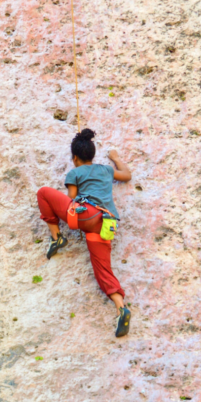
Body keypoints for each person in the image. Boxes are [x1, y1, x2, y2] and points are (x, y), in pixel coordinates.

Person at [36, 128, 133, 337]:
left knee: (43, 193)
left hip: (86, 216)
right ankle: (120, 307)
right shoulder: (106, 170)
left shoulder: (75, 172)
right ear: (93, 155)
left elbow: (71, 200)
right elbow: (126, 175)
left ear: (75, 158)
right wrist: (115, 158)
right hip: (106, 223)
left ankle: (56, 237)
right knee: (103, 269)